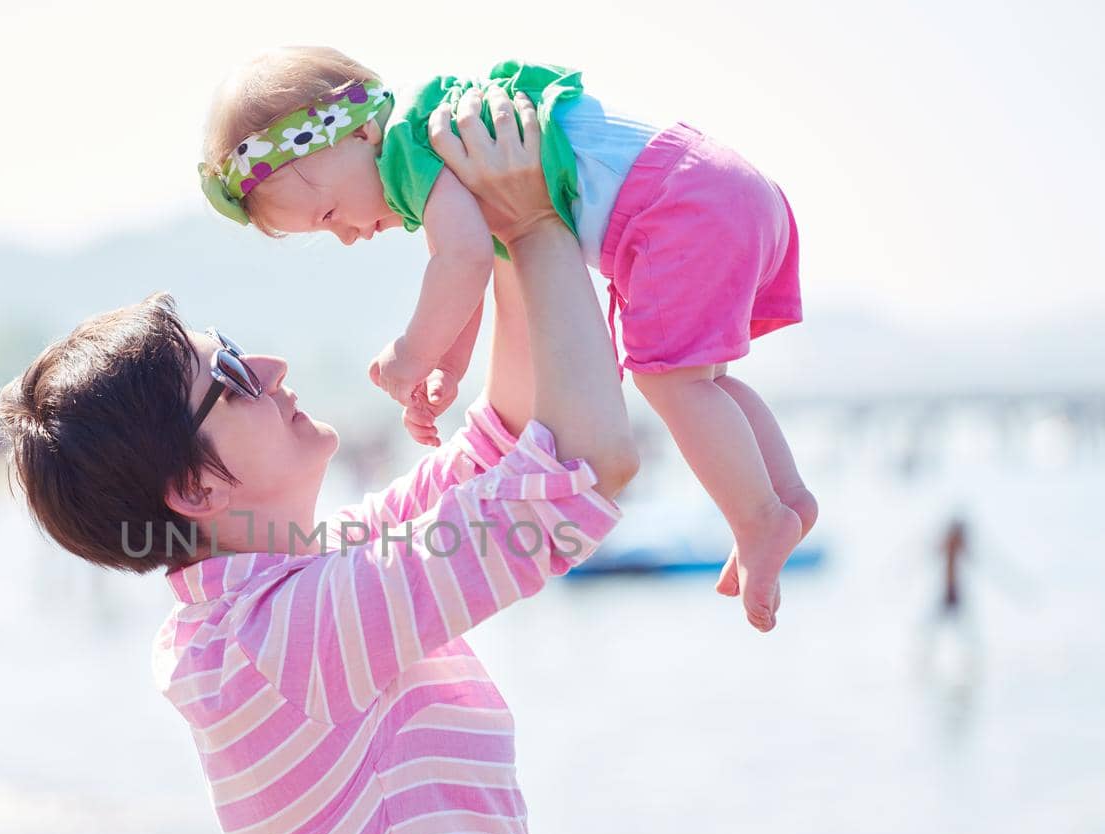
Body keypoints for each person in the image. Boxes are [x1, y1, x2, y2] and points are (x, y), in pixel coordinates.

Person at [0, 85, 639, 834]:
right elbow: (578, 474)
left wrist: (489, 214)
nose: (277, 363)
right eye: (236, 381)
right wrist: (538, 226)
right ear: (190, 487)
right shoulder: (274, 641)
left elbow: (509, 445)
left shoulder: (278, 596)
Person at [199, 47, 816, 632]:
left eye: (331, 215)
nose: (351, 236)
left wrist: (411, 353)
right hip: (724, 185)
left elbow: (463, 258)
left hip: (675, 209)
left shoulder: (416, 150)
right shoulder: (434, 147)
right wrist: (450, 362)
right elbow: (470, 257)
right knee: (705, 384)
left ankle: (759, 519)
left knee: (670, 382)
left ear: (358, 131)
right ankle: (784, 498)